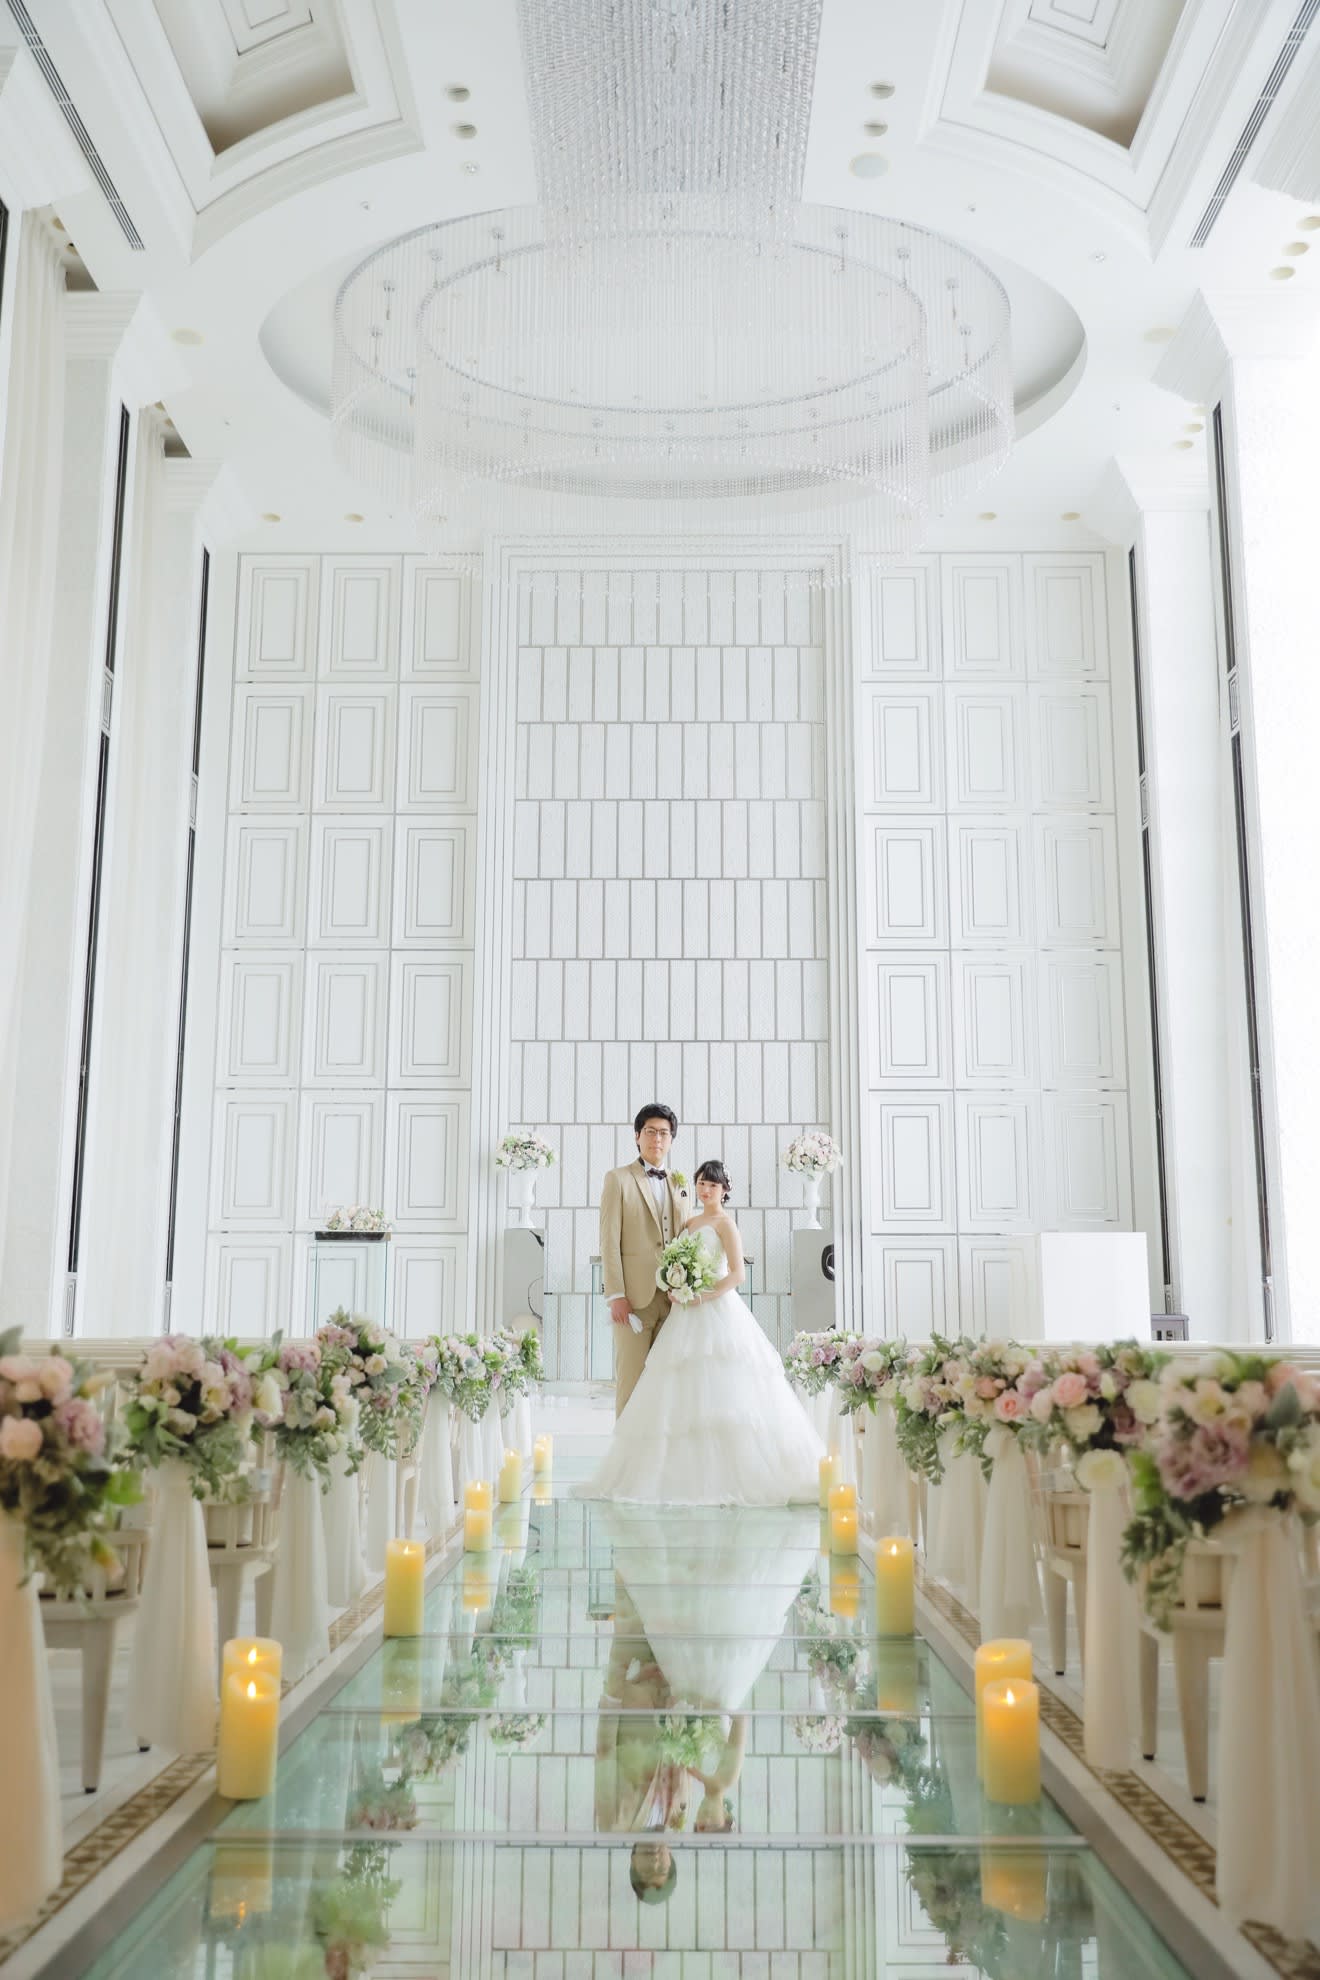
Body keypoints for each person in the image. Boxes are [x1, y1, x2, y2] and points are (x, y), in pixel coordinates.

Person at [587, 1159, 824, 1505]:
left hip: (716, 1310)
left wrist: (702, 1295)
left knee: (723, 1387)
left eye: (713, 1185)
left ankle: (729, 1475)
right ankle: (672, 1474)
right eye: (701, 1183)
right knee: (678, 1390)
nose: (706, 1190)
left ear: (724, 1190)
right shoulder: (689, 1222)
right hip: (684, 1313)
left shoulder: (726, 1225)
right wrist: (676, 1285)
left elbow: (737, 1275)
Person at [599, 1103, 690, 1415]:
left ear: (671, 1139)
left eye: (664, 1133)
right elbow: (609, 1241)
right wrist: (616, 1295)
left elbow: (685, 1237)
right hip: (634, 1301)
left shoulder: (681, 1182)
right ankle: (626, 1446)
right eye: (650, 1131)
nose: (657, 1139)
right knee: (632, 1382)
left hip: (673, 1299)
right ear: (637, 1136)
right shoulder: (617, 1179)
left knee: (668, 1384)